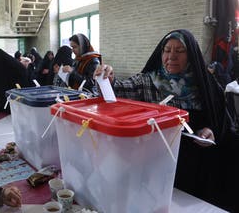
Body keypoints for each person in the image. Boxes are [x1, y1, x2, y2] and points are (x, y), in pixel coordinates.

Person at [94, 29, 236, 211]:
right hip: (158, 166)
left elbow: (223, 120)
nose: (172, 56)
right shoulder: (148, 82)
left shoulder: (206, 84)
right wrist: (107, 80)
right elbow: (115, 93)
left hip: (198, 168)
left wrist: (211, 130)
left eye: (180, 51)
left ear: (191, 54)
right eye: (167, 50)